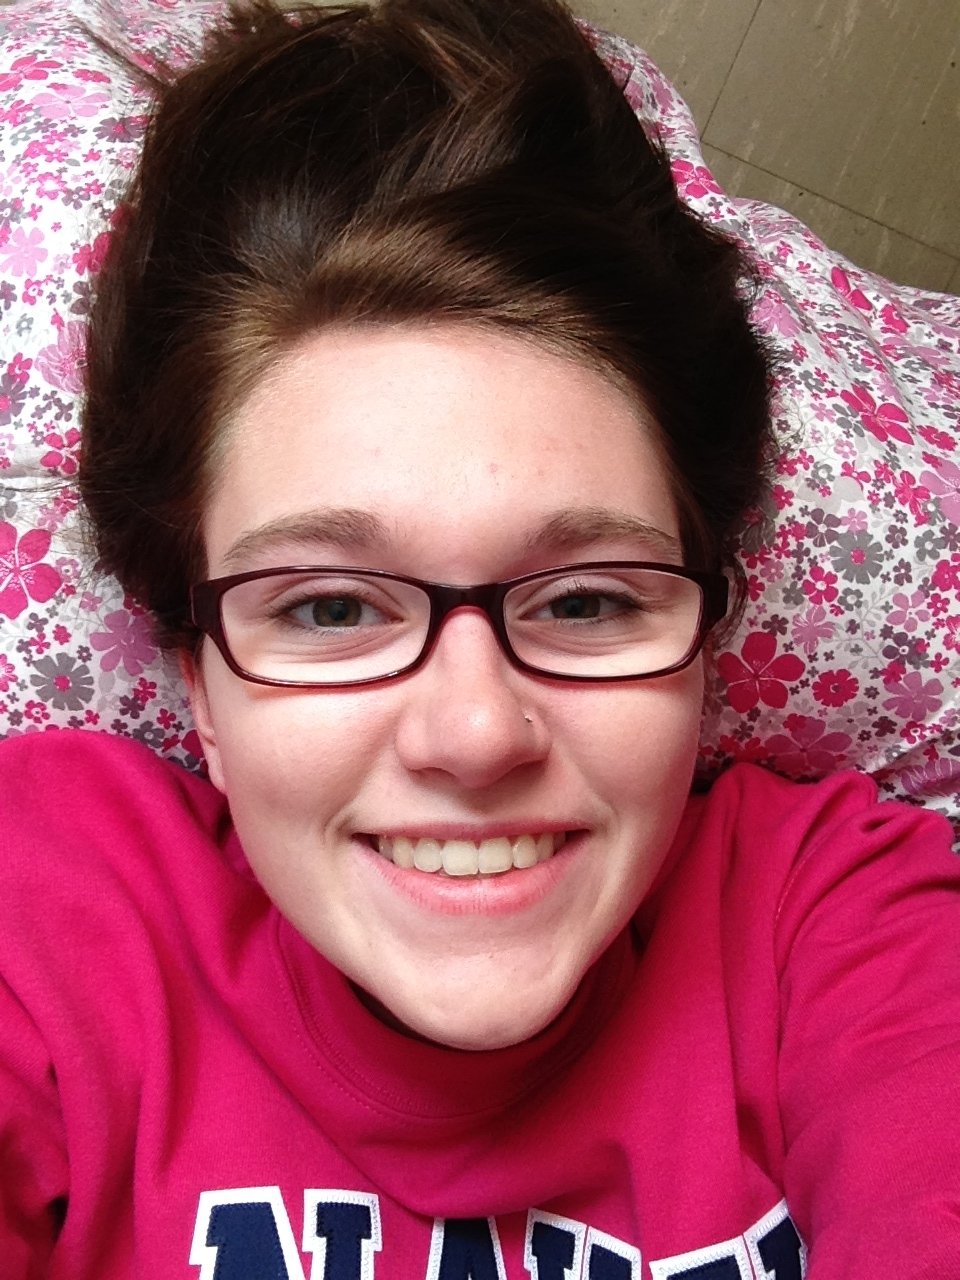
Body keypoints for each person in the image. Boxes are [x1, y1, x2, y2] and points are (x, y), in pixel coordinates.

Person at [1, 0, 958, 1275]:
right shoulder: (53, 909)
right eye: (331, 607)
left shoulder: (831, 917)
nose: (473, 733)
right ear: (201, 691)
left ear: (705, 644)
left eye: (586, 599)